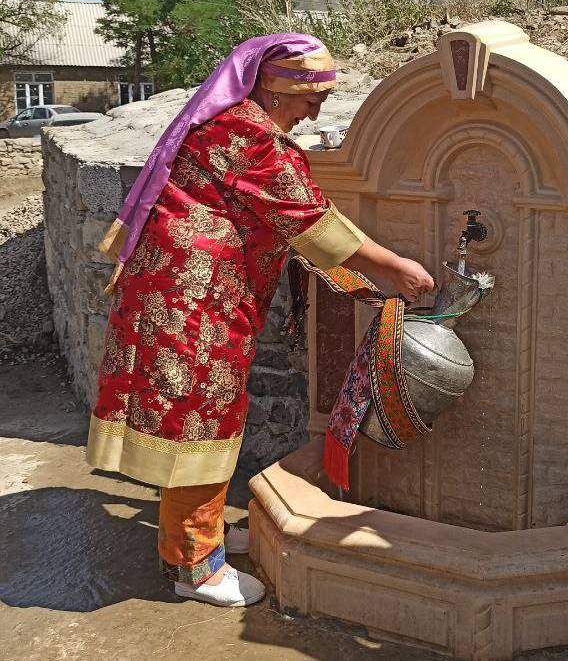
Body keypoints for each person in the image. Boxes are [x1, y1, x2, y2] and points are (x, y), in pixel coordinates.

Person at [86, 34, 434, 607]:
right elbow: (310, 220)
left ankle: (201, 539)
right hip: (193, 304)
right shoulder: (249, 135)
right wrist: (395, 269)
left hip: (191, 296)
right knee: (199, 427)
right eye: (309, 101)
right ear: (274, 90)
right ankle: (195, 567)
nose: (314, 113)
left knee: (201, 419)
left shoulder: (235, 125)